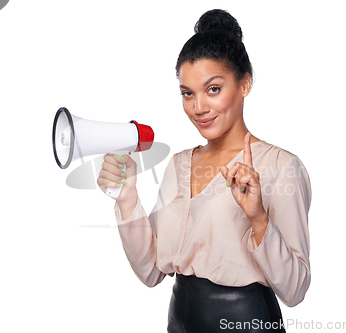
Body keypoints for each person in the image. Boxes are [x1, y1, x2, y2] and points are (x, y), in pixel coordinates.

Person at [97, 9, 311, 333]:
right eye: (187, 93)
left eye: (213, 89)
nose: (198, 108)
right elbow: (151, 271)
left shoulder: (281, 167)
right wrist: (127, 198)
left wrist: (258, 218)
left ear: (245, 84)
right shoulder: (179, 164)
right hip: (179, 323)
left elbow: (295, 290)